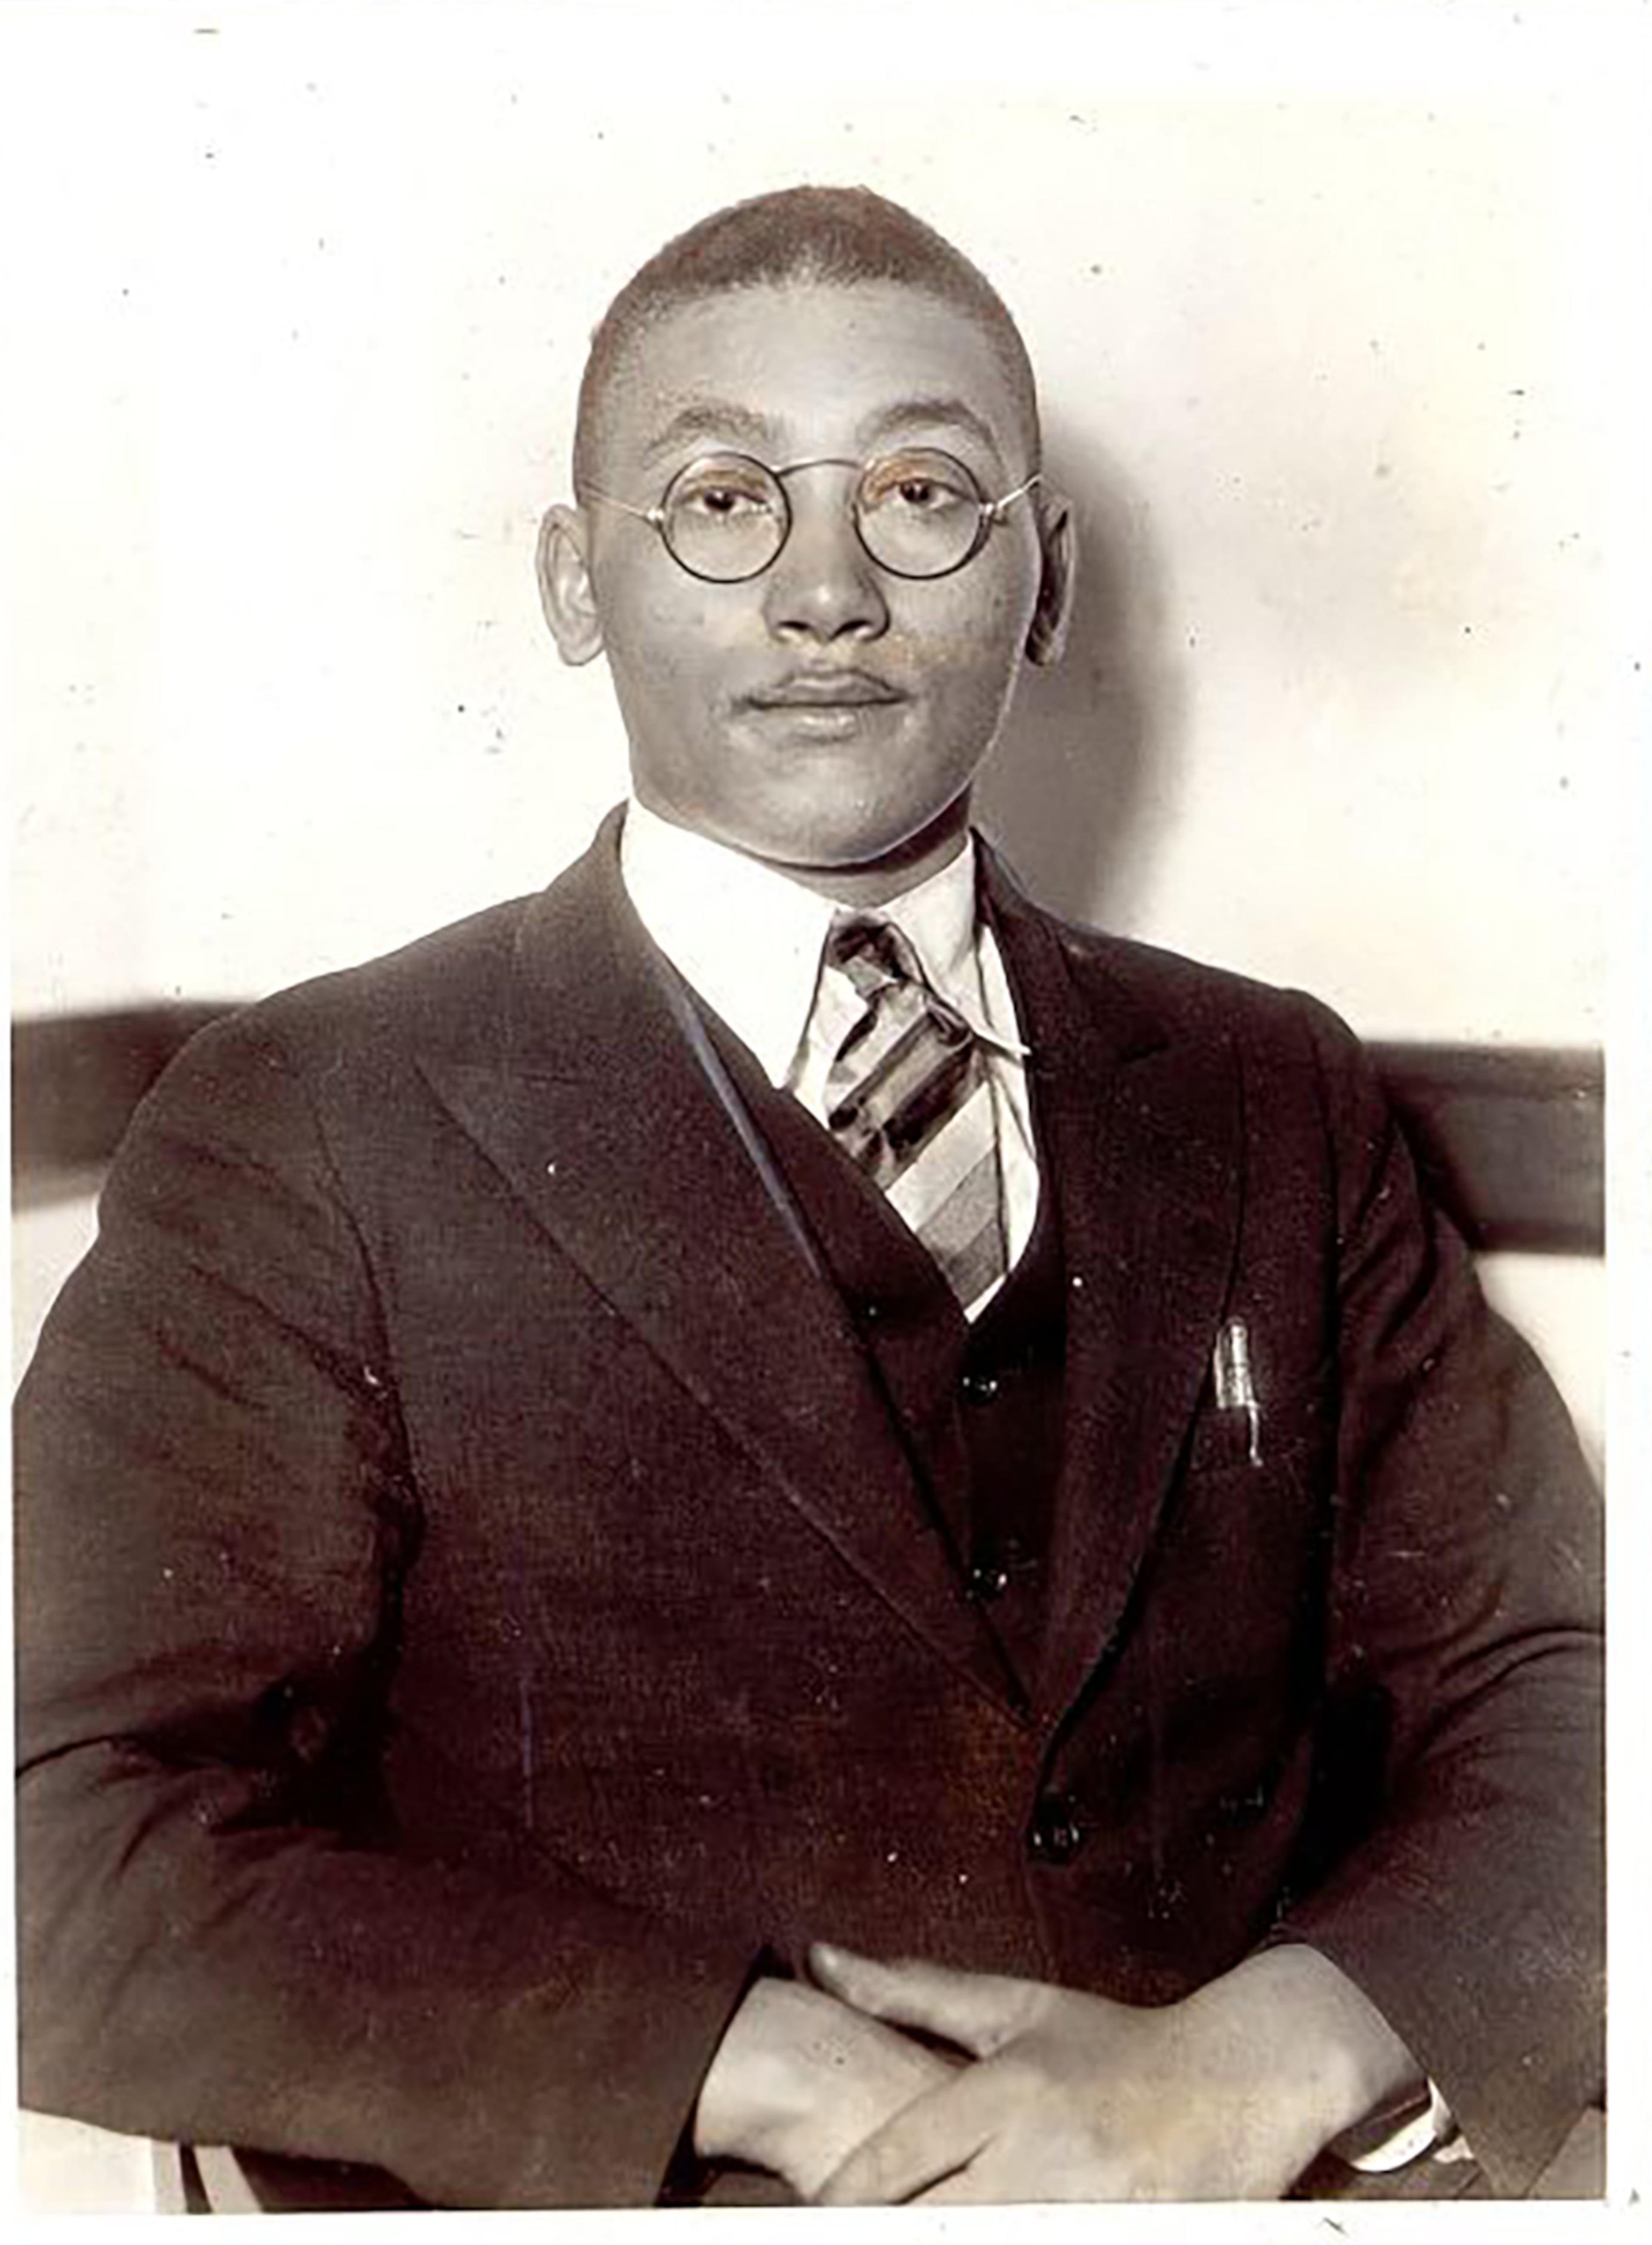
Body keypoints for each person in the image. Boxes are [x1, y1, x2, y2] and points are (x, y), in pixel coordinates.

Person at [14, 185, 1603, 2208]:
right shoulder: (308, 1119)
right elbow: (55, 1832)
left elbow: (1561, 1678)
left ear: (1047, 577)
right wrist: (750, 2068)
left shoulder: (1267, 1088)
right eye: (720, 500)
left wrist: (1263, 2057)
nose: (827, 591)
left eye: (926, 491)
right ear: (576, 584)